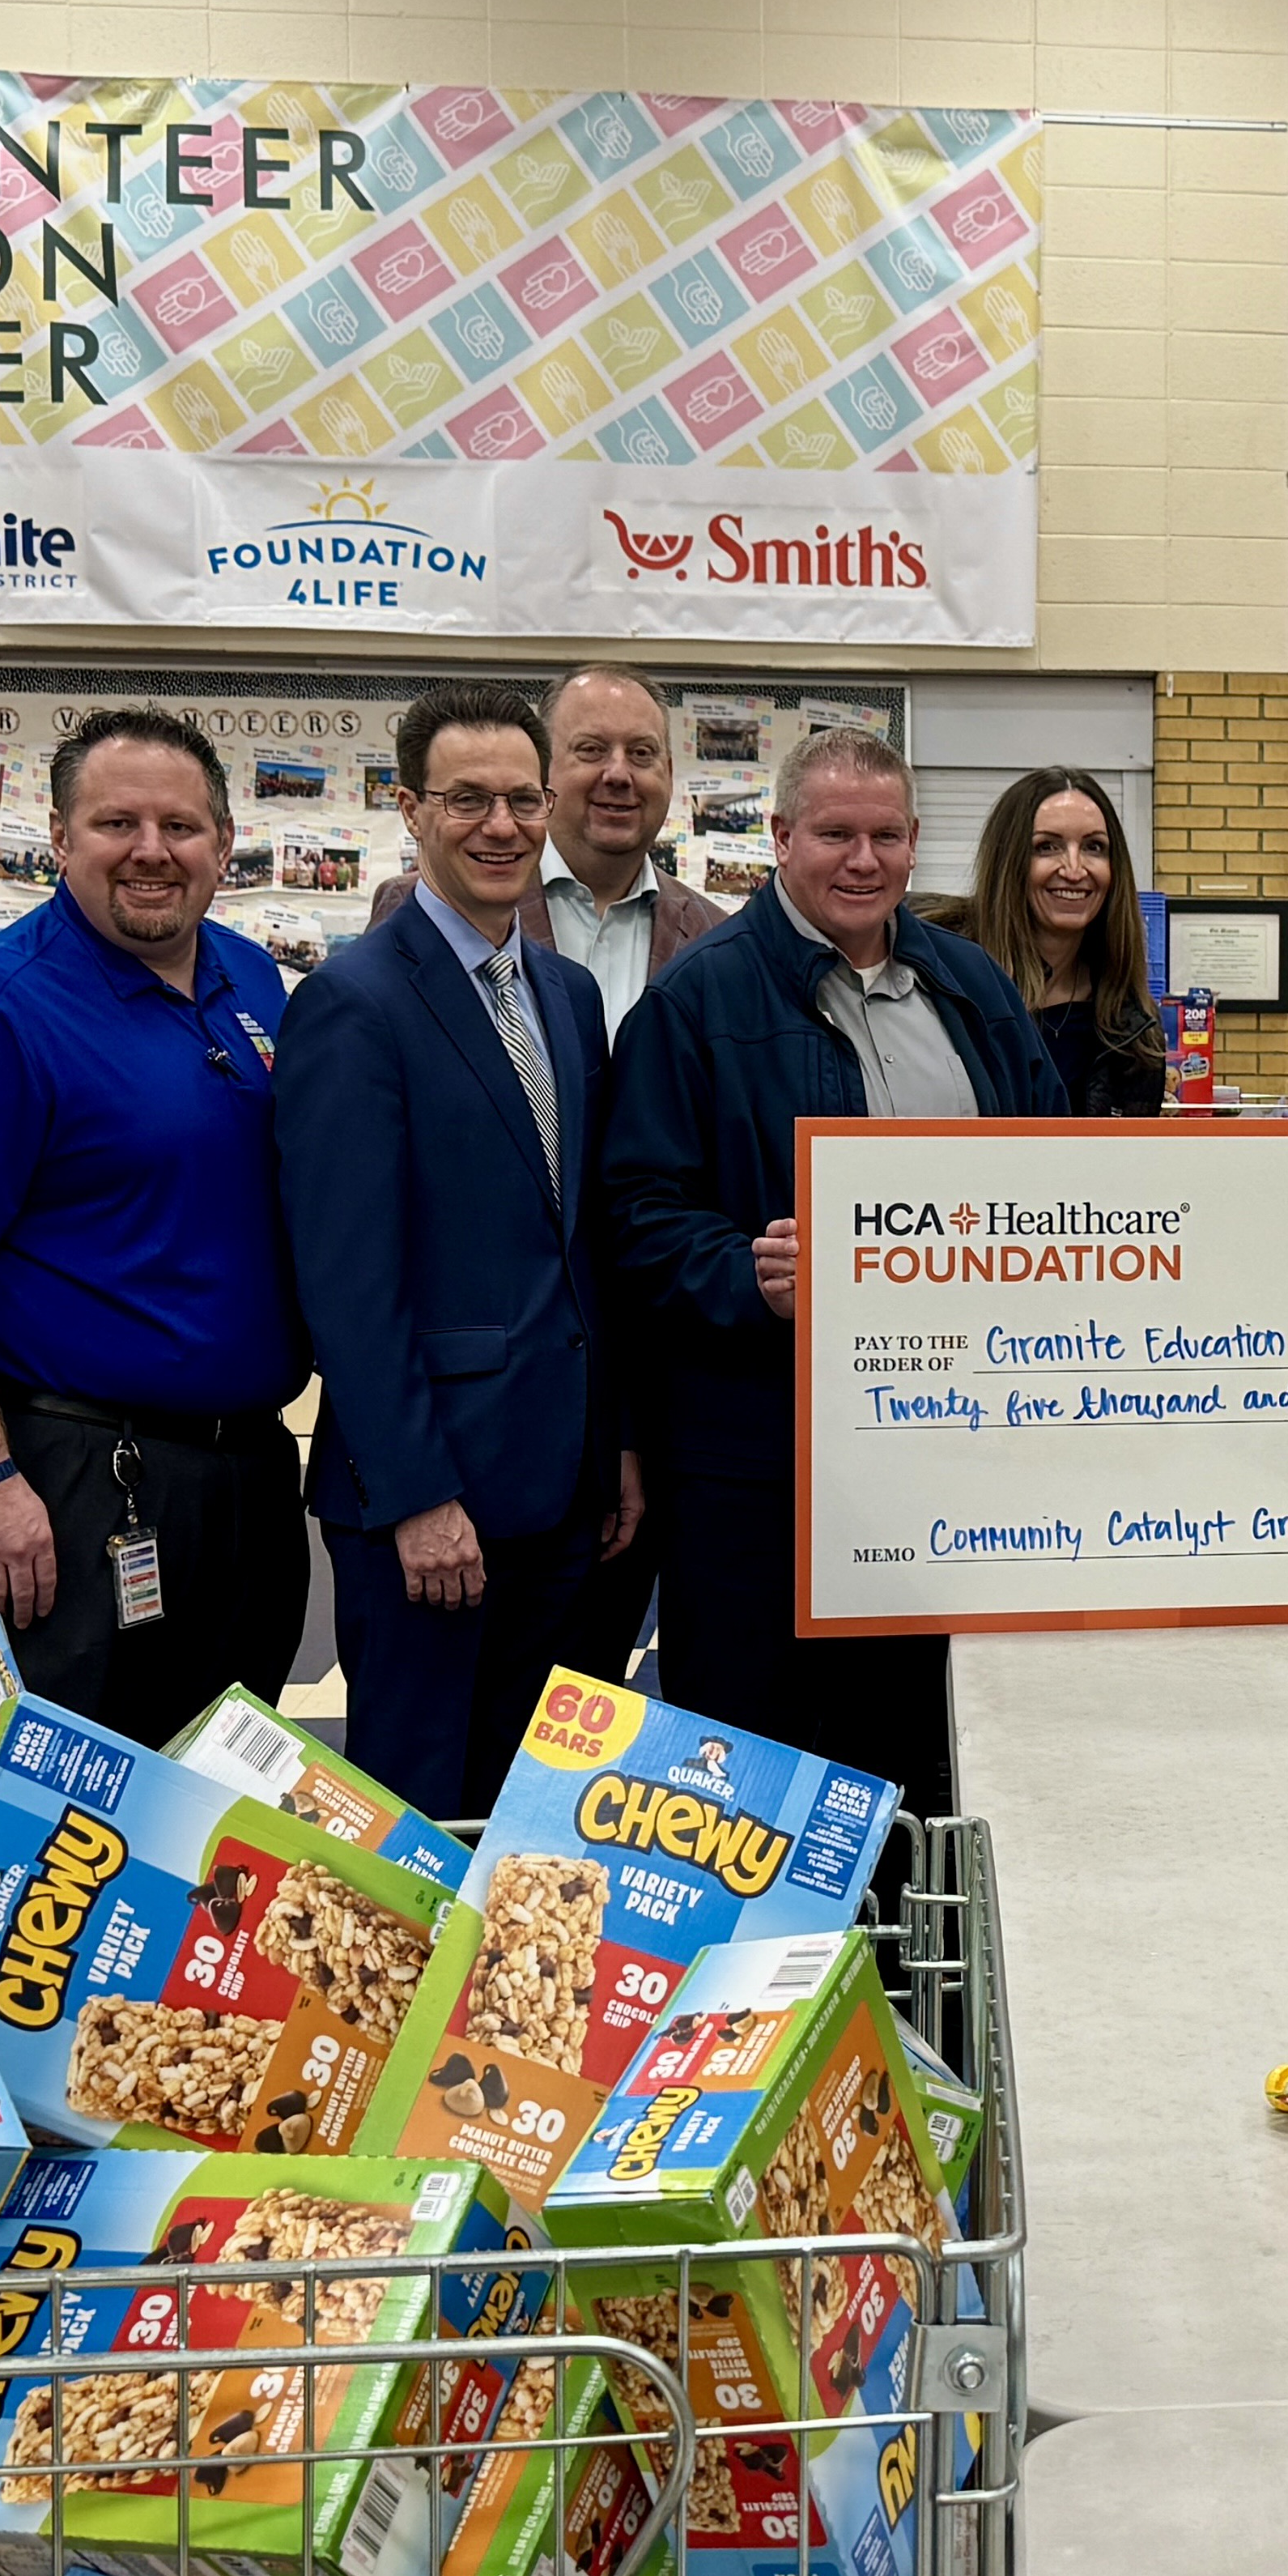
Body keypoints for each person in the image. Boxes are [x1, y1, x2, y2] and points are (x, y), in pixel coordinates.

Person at [608, 725, 1061, 1807]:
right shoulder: (695, 1003)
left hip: (944, 1460)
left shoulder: (971, 990)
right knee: (751, 1764)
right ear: (776, 838)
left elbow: (1054, 1163)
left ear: (914, 844)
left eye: (886, 836)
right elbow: (632, 1216)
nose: (862, 860)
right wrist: (742, 1273)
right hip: (760, 1470)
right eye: (834, 834)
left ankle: (906, 1977)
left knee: (913, 1753)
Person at [0, 707, 309, 1750]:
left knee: (220, 1788)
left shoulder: (249, 978)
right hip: (68, 1479)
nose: (151, 851)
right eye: (116, 823)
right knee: (60, 1802)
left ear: (224, 843)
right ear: (59, 840)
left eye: (181, 826)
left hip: (239, 1476)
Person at [277, 682, 646, 1821]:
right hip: (432, 1504)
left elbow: (577, 1245)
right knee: (417, 1821)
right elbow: (349, 1280)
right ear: (410, 809)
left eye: (521, 800)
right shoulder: (354, 1001)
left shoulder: (569, 996)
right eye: (467, 800)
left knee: (535, 1820)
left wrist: (615, 1444)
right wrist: (416, 1495)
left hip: (565, 1493)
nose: (501, 826)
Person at [370, 666, 725, 1042]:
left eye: (641, 753)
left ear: (668, 773)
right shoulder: (419, 903)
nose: (619, 774)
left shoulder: (714, 936)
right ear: (543, 770)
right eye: (592, 750)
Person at [965, 767, 1167, 1115]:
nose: (1074, 869)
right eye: (1047, 847)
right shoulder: (953, 986)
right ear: (1008, 862)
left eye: (1094, 847)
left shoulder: (1134, 1029)